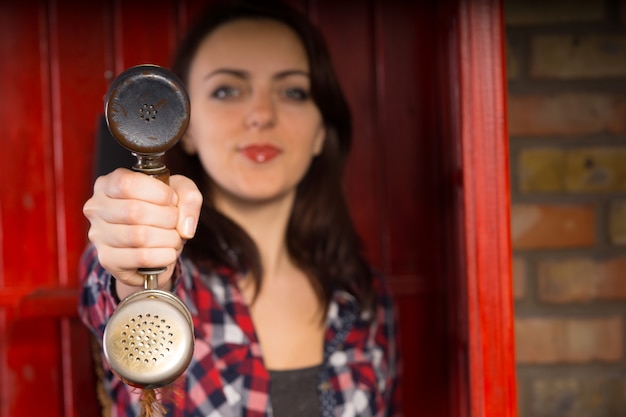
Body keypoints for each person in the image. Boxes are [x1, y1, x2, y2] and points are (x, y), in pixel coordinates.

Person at [79, 0, 400, 416]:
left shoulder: (365, 297)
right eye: (227, 89)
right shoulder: (163, 275)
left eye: (293, 91)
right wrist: (135, 265)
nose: (261, 115)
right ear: (185, 128)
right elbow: (113, 290)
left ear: (322, 130)